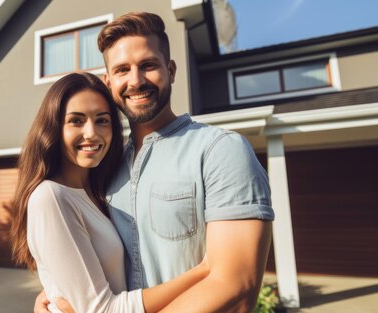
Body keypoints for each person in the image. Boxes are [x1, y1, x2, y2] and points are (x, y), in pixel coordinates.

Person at [34, 12, 275, 313]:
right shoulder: (106, 167)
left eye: (148, 65)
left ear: (171, 70)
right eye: (122, 70)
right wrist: (58, 289)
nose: (135, 81)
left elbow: (235, 286)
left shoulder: (221, 151)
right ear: (109, 82)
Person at [9, 72, 210, 313]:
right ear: (53, 128)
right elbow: (103, 310)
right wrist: (203, 271)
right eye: (76, 120)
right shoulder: (51, 197)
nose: (92, 133)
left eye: (102, 120)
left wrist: (52, 291)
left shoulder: (99, 192)